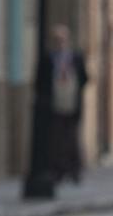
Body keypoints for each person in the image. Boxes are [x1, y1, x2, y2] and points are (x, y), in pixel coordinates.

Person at [38, 24, 89, 183]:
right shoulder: (50, 58)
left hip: (72, 102)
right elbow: (41, 81)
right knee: (57, 139)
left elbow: (84, 78)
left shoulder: (75, 57)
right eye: (57, 39)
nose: (60, 42)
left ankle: (74, 170)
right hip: (56, 103)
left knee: (72, 137)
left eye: (63, 39)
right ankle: (58, 169)